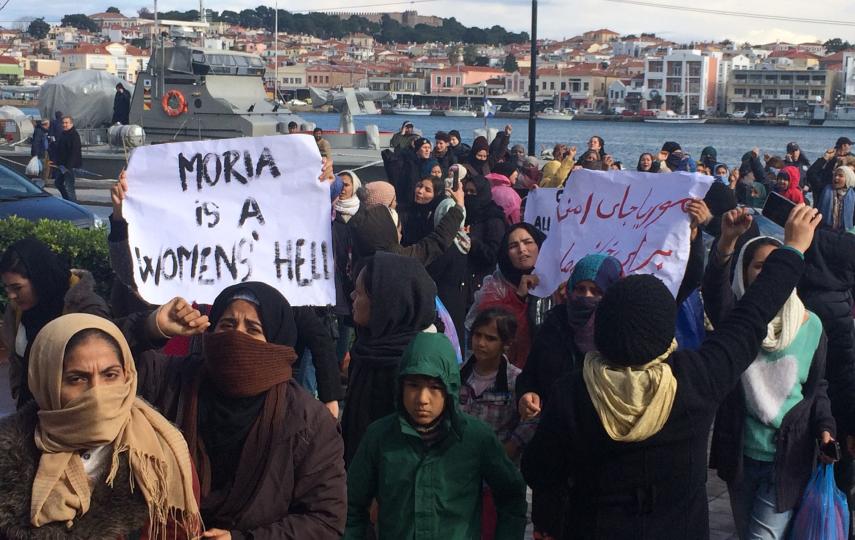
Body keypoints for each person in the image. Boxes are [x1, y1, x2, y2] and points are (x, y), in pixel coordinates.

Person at [521, 205, 822, 540]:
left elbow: (539, 469)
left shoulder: (573, 392)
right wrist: (792, 249)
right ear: (666, 333)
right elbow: (751, 318)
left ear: (603, 329)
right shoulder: (696, 378)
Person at [127, 283, 348, 537]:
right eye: (227, 325)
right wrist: (151, 327)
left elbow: (325, 521)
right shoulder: (169, 380)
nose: (236, 337)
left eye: (253, 329)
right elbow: (95, 360)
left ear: (278, 341)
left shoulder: (308, 422)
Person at [0, 314, 201, 539]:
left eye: (110, 375)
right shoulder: (9, 451)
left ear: (127, 376)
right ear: (46, 382)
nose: (97, 392)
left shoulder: (162, 453)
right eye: (77, 378)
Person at [704, 229, 837, 539]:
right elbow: (713, 292)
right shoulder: (738, 323)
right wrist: (724, 246)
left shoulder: (811, 324)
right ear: (745, 272)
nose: (767, 274)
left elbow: (816, 388)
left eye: (775, 266)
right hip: (740, 457)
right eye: (759, 266)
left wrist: (826, 429)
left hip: (787, 461)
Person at [344, 332, 527, 539]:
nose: (422, 399)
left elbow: (512, 496)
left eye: (434, 388)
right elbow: (351, 506)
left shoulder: (475, 438)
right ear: (400, 386)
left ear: (450, 390)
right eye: (413, 385)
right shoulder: (380, 437)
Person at [341, 252, 439, 464]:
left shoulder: (415, 364)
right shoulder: (367, 349)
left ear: (385, 303)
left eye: (359, 293)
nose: (352, 297)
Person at [0, 238, 110, 409]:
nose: (12, 296)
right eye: (7, 289)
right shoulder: (16, 312)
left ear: (39, 279)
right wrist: (19, 391)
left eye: (17, 288)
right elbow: (16, 360)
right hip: (30, 412)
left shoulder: (86, 308)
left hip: (76, 412)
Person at [467, 223, 548, 369]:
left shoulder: (558, 283)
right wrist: (519, 298)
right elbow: (499, 335)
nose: (522, 250)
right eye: (513, 246)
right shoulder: (496, 289)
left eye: (528, 242)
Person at [463, 174, 507, 307]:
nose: (469, 196)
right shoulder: (465, 214)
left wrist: (471, 241)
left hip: (481, 284)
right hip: (465, 282)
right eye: (466, 192)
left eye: (473, 192)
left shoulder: (493, 219)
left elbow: (493, 254)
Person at [817, 165, 855, 231]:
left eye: (840, 176)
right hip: (825, 229)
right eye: (835, 175)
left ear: (848, 178)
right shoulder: (826, 190)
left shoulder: (852, 195)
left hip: (845, 231)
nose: (836, 178)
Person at [56, 115, 82, 202]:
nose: (64, 125)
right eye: (63, 123)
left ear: (71, 123)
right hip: (62, 166)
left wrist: (69, 166)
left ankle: (74, 205)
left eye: (66, 123)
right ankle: (67, 200)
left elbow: (74, 152)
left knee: (69, 187)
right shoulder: (63, 134)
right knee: (58, 183)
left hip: (70, 166)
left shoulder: (74, 135)